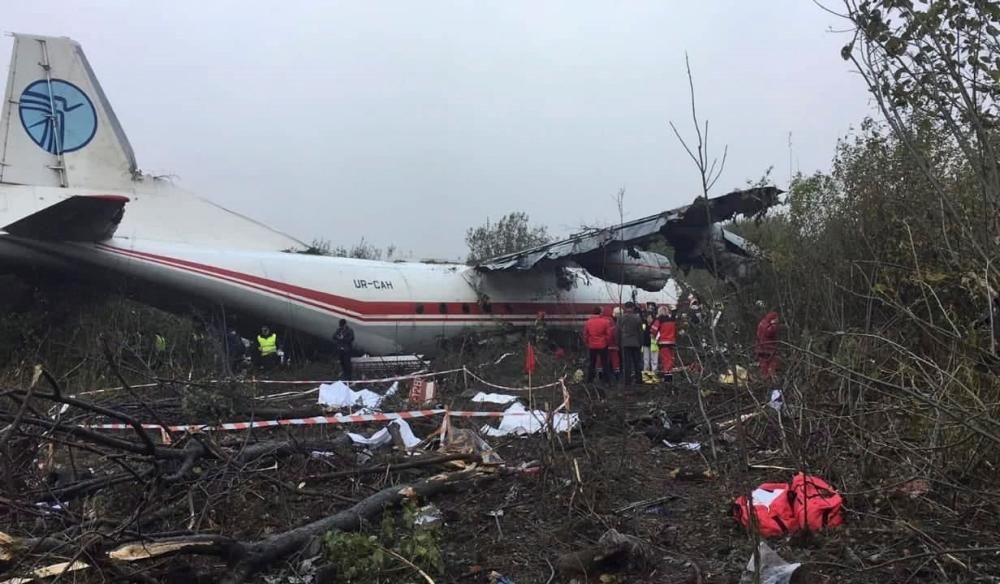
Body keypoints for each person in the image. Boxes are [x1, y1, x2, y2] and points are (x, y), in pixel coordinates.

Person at [582, 307, 613, 383]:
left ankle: (590, 380)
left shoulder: (588, 322)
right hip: (602, 345)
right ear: (600, 312)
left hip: (592, 345)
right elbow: (609, 335)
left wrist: (587, 343)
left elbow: (585, 334)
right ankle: (607, 381)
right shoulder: (606, 322)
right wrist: (607, 342)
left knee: (592, 363)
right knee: (605, 363)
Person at [618, 302, 644, 385]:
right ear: (633, 308)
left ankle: (627, 381)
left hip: (625, 343)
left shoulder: (621, 318)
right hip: (636, 343)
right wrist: (641, 343)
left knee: (627, 363)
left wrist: (619, 342)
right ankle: (639, 380)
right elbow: (640, 332)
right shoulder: (637, 318)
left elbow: (618, 332)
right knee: (637, 362)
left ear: (625, 308)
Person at [651, 307, 677, 382]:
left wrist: (654, 336)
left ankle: (667, 379)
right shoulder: (672, 320)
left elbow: (653, 329)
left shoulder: (659, 319)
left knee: (666, 360)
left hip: (663, 342)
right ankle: (670, 377)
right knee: (671, 360)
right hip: (672, 342)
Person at [755, 311, 780, 380]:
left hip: (760, 348)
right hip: (768, 349)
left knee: (763, 364)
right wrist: (774, 324)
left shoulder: (761, 323)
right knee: (771, 364)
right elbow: (769, 333)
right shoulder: (768, 325)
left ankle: (764, 378)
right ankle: (770, 378)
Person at [641, 312, 659, 382]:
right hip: (645, 344)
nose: (648, 319)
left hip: (653, 345)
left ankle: (653, 378)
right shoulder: (644, 324)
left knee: (654, 361)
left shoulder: (655, 325)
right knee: (646, 361)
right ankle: (647, 379)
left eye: (650, 318)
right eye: (647, 317)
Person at [607, 307, 622, 381]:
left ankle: (612, 374)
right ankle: (616, 375)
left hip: (610, 344)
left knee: (612, 360)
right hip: (614, 344)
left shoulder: (610, 321)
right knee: (615, 360)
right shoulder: (612, 322)